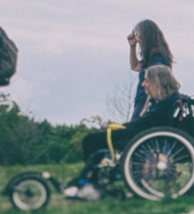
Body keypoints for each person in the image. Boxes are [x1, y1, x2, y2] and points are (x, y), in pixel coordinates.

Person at [67, 65, 186, 200]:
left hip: (142, 135)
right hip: (141, 133)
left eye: (146, 80)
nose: (143, 84)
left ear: (157, 81)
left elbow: (146, 123)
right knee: (95, 141)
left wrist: (124, 127)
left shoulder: (167, 103)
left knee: (91, 140)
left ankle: (90, 183)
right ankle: (90, 181)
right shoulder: (166, 100)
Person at [128, 20, 174, 121]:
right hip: (142, 98)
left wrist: (145, 108)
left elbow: (155, 82)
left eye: (137, 34)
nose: (136, 38)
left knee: (135, 130)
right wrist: (132, 46)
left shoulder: (158, 55)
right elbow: (135, 66)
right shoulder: (151, 55)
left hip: (146, 99)